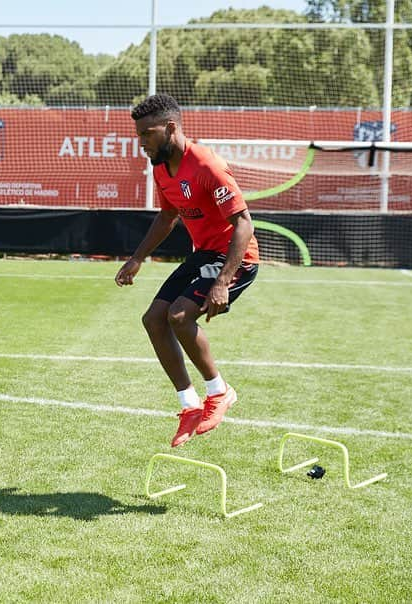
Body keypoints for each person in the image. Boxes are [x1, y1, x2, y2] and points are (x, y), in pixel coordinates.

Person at [115, 93, 258, 447]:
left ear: (171, 127)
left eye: (148, 134)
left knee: (179, 316)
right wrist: (137, 258)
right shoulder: (160, 167)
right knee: (153, 319)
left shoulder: (207, 165)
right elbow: (167, 216)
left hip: (235, 258)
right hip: (205, 252)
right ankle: (189, 405)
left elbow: (244, 223)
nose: (142, 143)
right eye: (139, 136)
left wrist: (223, 282)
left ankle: (220, 392)